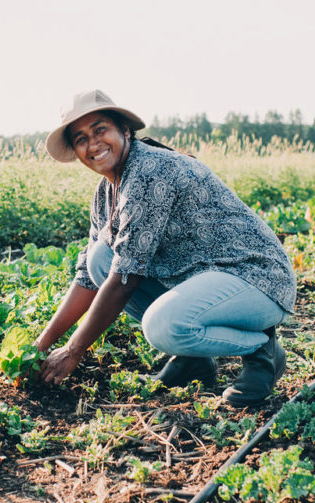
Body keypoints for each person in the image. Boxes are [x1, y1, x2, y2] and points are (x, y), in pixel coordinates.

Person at [33, 89, 297, 408]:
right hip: (208, 279)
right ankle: (193, 362)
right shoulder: (106, 193)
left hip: (257, 280)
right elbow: (89, 279)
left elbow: (124, 280)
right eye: (81, 138)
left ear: (125, 130)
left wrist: (74, 351)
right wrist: (41, 346)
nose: (93, 144)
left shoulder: (149, 170)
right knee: (99, 258)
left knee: (163, 326)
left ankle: (261, 349)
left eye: (100, 129)